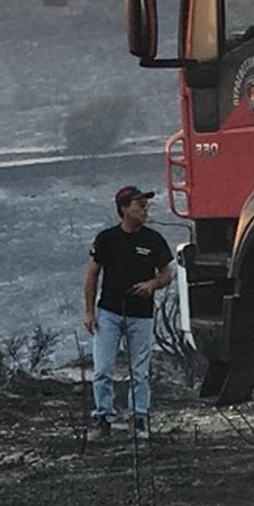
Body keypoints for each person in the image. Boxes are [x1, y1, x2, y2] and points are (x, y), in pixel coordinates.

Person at [82, 185, 174, 440]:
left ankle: (139, 418)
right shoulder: (106, 239)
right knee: (103, 369)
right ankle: (103, 418)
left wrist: (152, 284)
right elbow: (92, 275)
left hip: (140, 315)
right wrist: (89, 311)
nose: (145, 209)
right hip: (109, 312)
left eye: (146, 204)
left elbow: (166, 274)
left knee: (140, 371)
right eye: (139, 204)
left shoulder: (153, 240)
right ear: (124, 209)